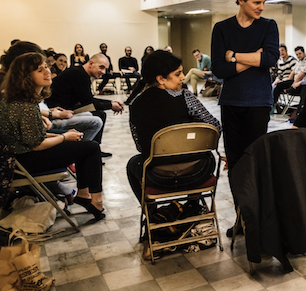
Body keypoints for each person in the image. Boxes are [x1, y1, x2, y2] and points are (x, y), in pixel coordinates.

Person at [0, 52, 105, 220]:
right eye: (39, 70)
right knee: (91, 147)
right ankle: (94, 200)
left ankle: (85, 195)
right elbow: (36, 144)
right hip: (23, 162)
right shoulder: (24, 105)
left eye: (46, 67)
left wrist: (65, 134)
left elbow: (31, 135)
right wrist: (64, 137)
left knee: (82, 142)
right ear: (25, 76)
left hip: (20, 156)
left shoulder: (21, 99)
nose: (47, 72)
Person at [210, 0, 279, 207]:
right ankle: (242, 214)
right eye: (256, 2)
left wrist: (235, 56)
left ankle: (257, 216)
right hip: (231, 102)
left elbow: (270, 58)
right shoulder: (222, 28)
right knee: (236, 161)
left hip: (259, 103)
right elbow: (219, 69)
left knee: (256, 160)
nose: (261, 7)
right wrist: (253, 58)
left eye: (263, 2)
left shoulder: (269, 26)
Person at [126, 50, 221, 200]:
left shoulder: (135, 104)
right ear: (161, 79)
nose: (183, 77)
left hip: (157, 176)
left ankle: (152, 214)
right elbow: (214, 127)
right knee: (208, 155)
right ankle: (194, 205)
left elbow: (140, 146)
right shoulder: (186, 97)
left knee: (133, 164)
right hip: (198, 172)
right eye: (178, 74)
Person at [45, 53, 124, 155]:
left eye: (105, 69)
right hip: (56, 113)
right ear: (91, 63)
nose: (103, 72)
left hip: (63, 109)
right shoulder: (79, 74)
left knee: (99, 113)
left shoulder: (80, 73)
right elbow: (89, 102)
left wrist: (111, 103)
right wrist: (111, 105)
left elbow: (88, 99)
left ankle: (94, 148)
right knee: (98, 116)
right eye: (101, 67)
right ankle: (86, 150)